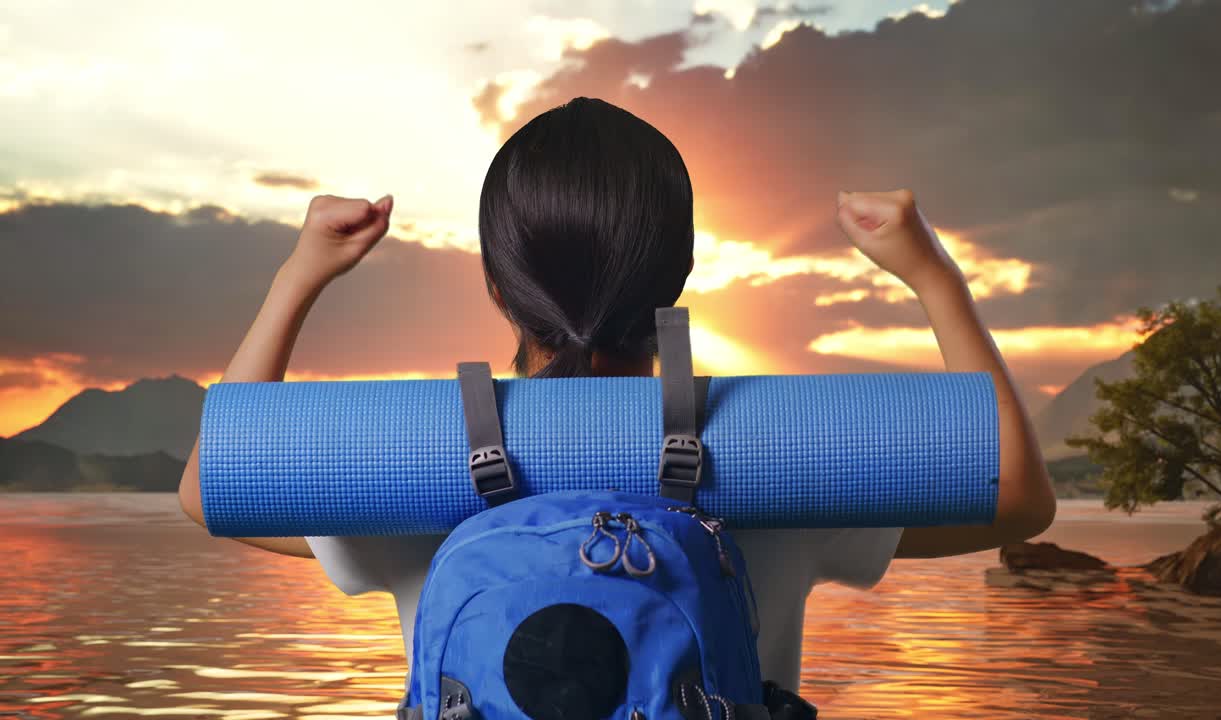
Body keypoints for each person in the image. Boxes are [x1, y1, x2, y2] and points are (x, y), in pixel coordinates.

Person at [178, 96, 1056, 697]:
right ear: (678, 278)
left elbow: (212, 490)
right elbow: (1017, 501)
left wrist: (299, 276)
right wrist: (933, 276)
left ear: (496, 283)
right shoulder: (780, 457)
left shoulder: (414, 467)